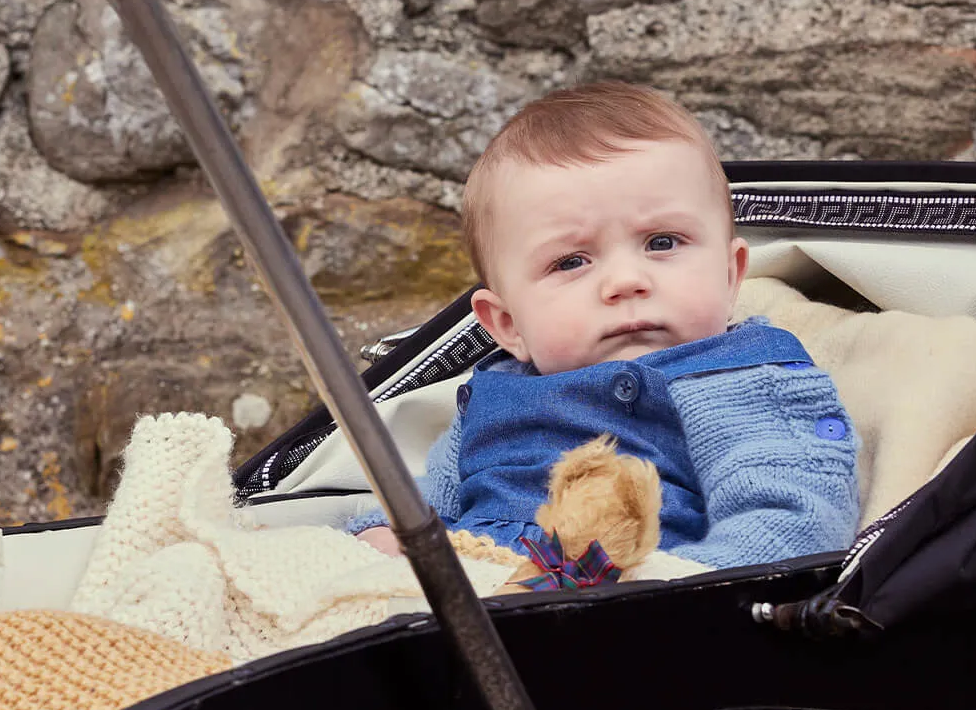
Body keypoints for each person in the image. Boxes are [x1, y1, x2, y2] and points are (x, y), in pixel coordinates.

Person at [349, 82, 859, 571]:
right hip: (472, 593)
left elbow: (792, 520)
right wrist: (380, 534)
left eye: (662, 242)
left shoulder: (741, 379)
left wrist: (666, 589)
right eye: (571, 262)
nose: (626, 281)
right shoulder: (493, 395)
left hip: (632, 608)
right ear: (508, 326)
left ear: (730, 277)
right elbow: (426, 503)